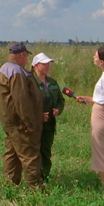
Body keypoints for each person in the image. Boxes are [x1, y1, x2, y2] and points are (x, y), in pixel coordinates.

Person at [0, 42, 44, 189]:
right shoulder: (16, 72)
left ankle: (10, 187)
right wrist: (29, 122)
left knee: (12, 155)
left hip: (10, 121)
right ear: (22, 55)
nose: (27, 60)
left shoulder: (5, 69)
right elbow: (21, 99)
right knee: (29, 155)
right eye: (26, 56)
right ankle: (35, 189)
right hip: (20, 123)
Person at [75, 46, 104, 192]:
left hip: (102, 117)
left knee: (102, 155)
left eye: (95, 56)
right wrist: (89, 99)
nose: (93, 58)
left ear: (102, 61)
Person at [30, 53, 66, 183]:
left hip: (49, 125)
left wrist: (58, 109)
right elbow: (25, 103)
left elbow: (61, 100)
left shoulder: (52, 83)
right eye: (44, 64)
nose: (47, 66)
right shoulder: (30, 82)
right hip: (34, 125)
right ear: (35, 66)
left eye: (49, 64)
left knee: (46, 151)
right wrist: (38, 115)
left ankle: (44, 177)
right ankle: (34, 179)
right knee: (34, 152)